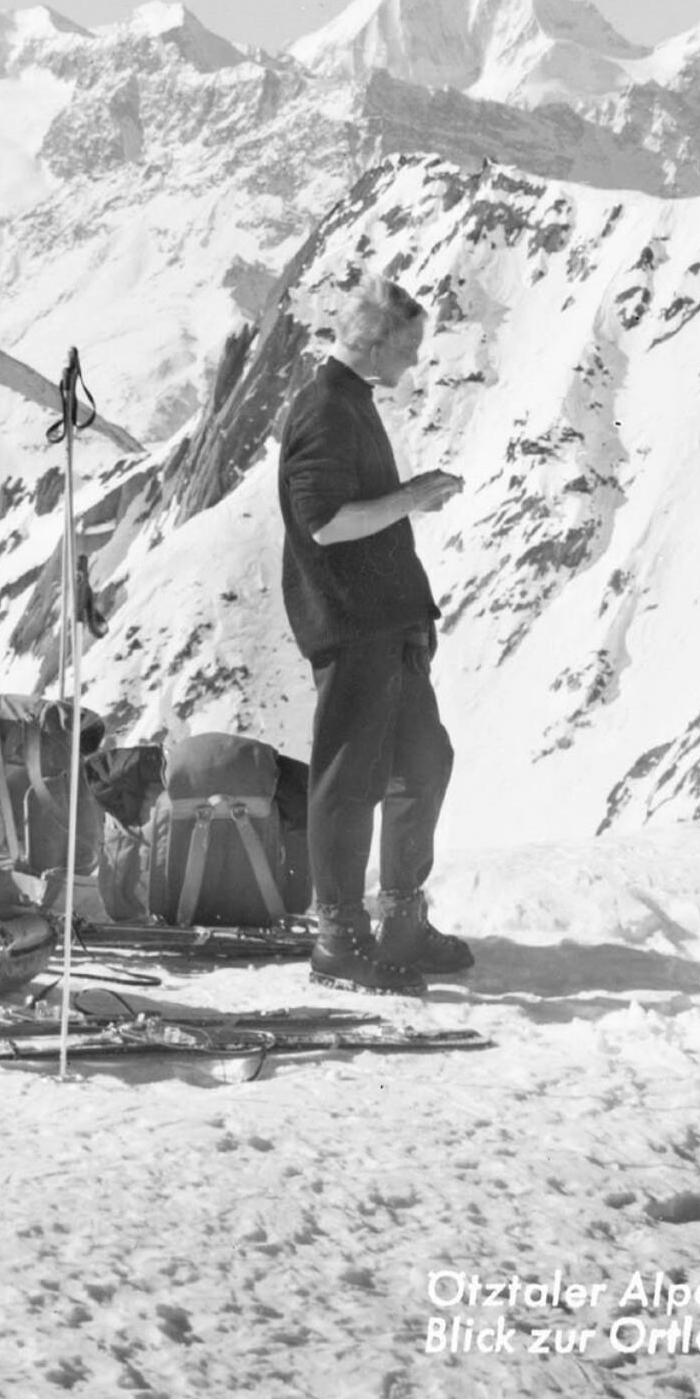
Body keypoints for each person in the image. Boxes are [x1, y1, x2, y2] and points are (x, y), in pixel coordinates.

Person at [275, 272, 469, 996]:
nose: (414, 362)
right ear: (379, 342)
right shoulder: (326, 409)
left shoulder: (348, 400)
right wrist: (410, 497)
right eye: (409, 347)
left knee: (423, 762)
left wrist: (407, 500)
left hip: (385, 620)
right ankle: (339, 938)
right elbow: (323, 522)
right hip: (353, 620)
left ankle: (402, 921)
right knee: (349, 779)